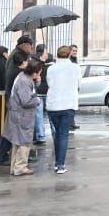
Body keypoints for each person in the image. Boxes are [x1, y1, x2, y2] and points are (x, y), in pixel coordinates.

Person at [3, 58, 42, 176]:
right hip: (22, 116)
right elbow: (26, 101)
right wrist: (37, 100)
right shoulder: (25, 81)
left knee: (17, 142)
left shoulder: (22, 77)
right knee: (24, 141)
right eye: (39, 71)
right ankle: (20, 167)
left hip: (17, 114)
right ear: (35, 72)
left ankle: (15, 167)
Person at [46, 45, 82, 174]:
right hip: (68, 104)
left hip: (53, 104)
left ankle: (58, 163)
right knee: (63, 134)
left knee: (57, 134)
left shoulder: (51, 68)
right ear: (68, 55)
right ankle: (60, 164)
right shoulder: (75, 68)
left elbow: (49, 83)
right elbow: (79, 84)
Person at [0, 36, 32, 166]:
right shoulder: (18, 55)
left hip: (12, 95)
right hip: (15, 97)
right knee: (14, 127)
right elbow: (26, 69)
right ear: (24, 45)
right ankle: (4, 156)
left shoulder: (15, 54)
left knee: (12, 126)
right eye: (30, 45)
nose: (32, 48)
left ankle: (11, 155)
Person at [32, 44, 50, 145]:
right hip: (41, 91)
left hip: (41, 91)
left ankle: (40, 135)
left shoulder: (43, 62)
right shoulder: (37, 63)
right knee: (40, 115)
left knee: (39, 115)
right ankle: (41, 136)